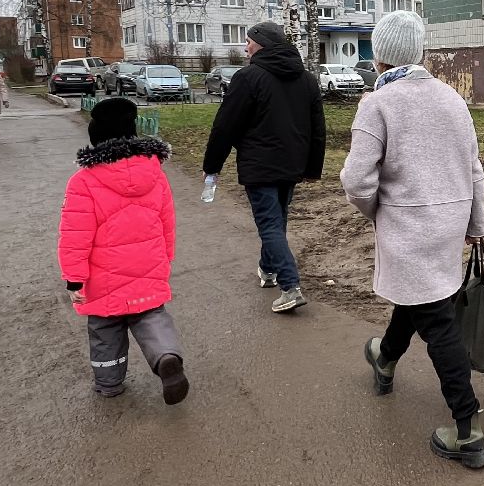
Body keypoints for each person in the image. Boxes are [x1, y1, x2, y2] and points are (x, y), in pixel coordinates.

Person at [340, 11, 484, 469]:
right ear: (420, 51)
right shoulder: (452, 100)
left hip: (407, 229)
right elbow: (474, 170)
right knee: (420, 297)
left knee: (438, 322)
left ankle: (468, 430)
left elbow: (356, 181)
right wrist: (476, 225)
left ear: (378, 53)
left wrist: (378, 213)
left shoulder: (378, 103)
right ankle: (384, 359)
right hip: (447, 226)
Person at [58, 96, 189, 404]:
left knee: (105, 327)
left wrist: (74, 278)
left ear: (95, 138)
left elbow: (75, 235)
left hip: (103, 275)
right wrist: (165, 257)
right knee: (151, 315)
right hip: (149, 264)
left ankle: (109, 383)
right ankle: (166, 357)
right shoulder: (154, 172)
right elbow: (167, 220)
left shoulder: (84, 181)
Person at [202, 21, 325, 313]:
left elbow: (225, 126)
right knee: (276, 221)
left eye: (249, 41)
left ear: (262, 44)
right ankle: (267, 269)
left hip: (260, 166)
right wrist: (311, 168)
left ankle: (290, 286)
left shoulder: (248, 78)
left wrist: (211, 166)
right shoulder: (306, 79)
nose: (246, 47)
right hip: (292, 164)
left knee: (270, 224)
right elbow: (318, 129)